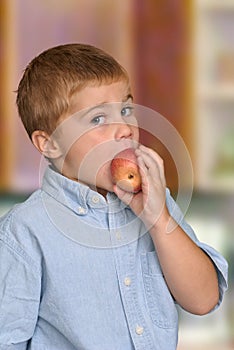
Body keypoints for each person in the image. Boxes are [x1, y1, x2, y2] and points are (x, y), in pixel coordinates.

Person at [0, 43, 228, 350]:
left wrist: (159, 220)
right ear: (50, 144)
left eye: (126, 109)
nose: (124, 128)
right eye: (97, 119)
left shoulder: (155, 205)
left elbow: (203, 299)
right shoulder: (25, 231)